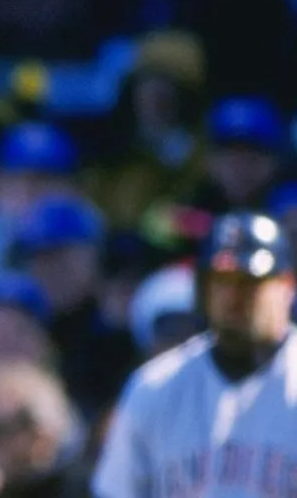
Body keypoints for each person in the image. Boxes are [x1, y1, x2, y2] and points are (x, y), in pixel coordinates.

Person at [92, 212, 297, 497]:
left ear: (287, 285)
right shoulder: (155, 387)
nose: (234, 297)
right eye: (222, 282)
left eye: (249, 283)